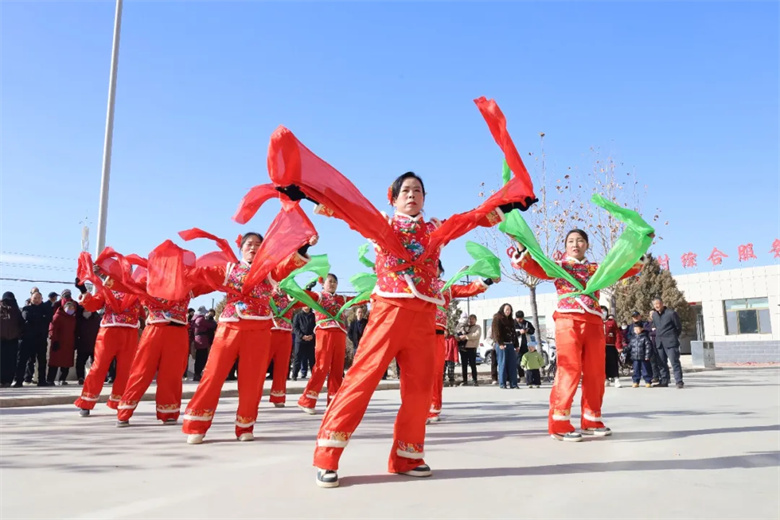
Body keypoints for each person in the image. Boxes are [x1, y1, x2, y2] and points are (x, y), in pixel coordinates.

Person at [179, 221, 318, 444]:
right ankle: (197, 425)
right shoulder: (229, 269)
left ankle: (245, 426)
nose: (253, 248)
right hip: (230, 327)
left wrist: (304, 246)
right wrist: (176, 269)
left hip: (259, 328)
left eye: (257, 245)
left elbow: (289, 265)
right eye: (249, 244)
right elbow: (201, 274)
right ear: (241, 248)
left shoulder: (269, 271)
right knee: (213, 375)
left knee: (252, 379)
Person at [511, 229, 645, 441]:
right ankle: (559, 423)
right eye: (571, 241)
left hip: (594, 322)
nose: (575, 244)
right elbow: (535, 267)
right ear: (565, 246)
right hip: (568, 320)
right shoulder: (559, 266)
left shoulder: (596, 268)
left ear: (587, 245)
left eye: (580, 241)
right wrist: (520, 245)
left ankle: (591, 419)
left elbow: (619, 270)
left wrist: (640, 247)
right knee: (569, 369)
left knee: (596, 373)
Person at [428, 263, 494, 423]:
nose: (431, 268)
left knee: (436, 372)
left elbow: (467, 289)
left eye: (435, 265)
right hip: (417, 331)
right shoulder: (416, 283)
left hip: (437, 333)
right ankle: (416, 409)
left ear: (440, 270)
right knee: (418, 372)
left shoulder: (446, 287)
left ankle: (433, 409)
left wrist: (488, 280)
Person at [74, 271, 145, 416]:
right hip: (108, 332)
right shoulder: (108, 288)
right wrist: (83, 291)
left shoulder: (137, 289)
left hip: (130, 332)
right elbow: (93, 305)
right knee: (99, 366)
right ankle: (86, 401)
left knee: (126, 369)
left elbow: (146, 307)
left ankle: (120, 402)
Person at [297, 273, 352, 414]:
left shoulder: (342, 298)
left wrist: (373, 292)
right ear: (323, 284)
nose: (332, 284)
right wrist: (307, 288)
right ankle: (307, 401)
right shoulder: (319, 296)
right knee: (322, 366)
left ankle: (333, 403)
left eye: (335, 282)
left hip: (340, 333)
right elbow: (303, 296)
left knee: (337, 369)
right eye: (330, 281)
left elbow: (358, 300)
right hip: (324, 332)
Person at [266, 288, 301, 407]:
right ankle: (252, 396)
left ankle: (278, 396)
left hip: (286, 333)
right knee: (261, 366)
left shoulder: (291, 295)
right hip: (269, 331)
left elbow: (304, 301)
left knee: (282, 366)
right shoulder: (267, 292)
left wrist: (306, 290)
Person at [15, 291, 50, 387]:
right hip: (27, 339)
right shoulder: (26, 308)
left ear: (42, 299)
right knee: (22, 360)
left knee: (42, 361)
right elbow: (27, 317)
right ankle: (19, 381)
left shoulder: (45, 309)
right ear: (31, 299)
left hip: (41, 339)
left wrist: (39, 317)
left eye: (39, 298)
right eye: (35, 298)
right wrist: (40, 317)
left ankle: (42, 380)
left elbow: (48, 319)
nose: (37, 300)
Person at [651, 297, 684, 389]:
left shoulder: (671, 313)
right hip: (659, 343)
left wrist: (673, 336)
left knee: (674, 362)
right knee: (661, 363)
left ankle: (679, 381)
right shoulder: (654, 315)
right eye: (654, 304)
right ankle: (664, 381)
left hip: (671, 342)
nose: (656, 306)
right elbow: (656, 327)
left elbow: (678, 327)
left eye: (658, 303)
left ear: (662, 304)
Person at [47, 299, 78, 385]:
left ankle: (62, 379)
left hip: (69, 344)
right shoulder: (57, 316)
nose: (71, 309)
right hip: (58, 343)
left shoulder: (73, 319)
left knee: (66, 363)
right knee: (54, 362)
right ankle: (50, 379)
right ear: (64, 308)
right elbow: (52, 329)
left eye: (72, 308)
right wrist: (54, 340)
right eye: (69, 307)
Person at [492, 303, 520, 389]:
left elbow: (514, 333)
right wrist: (500, 343)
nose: (508, 311)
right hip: (502, 345)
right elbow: (496, 332)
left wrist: (516, 345)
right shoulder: (497, 318)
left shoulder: (511, 320)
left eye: (509, 309)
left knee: (512, 364)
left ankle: (513, 384)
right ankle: (502, 383)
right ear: (502, 310)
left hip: (510, 344)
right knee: (502, 364)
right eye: (506, 309)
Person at [1, 292, 24, 387]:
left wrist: (19, 334)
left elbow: (21, 323)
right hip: (1, 340)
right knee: (2, 361)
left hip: (13, 340)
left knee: (11, 361)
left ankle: (8, 380)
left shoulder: (16, 311)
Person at [75, 307, 101, 385]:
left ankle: (94, 378)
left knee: (95, 363)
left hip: (94, 344)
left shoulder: (97, 318)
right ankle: (80, 377)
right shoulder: (78, 318)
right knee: (80, 362)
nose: (87, 310)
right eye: (85, 309)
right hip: (82, 344)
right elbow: (75, 331)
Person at [191, 307, 217, 382]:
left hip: (197, 340)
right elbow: (212, 325)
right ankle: (197, 374)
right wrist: (211, 319)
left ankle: (197, 374)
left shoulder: (195, 319)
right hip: (202, 340)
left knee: (199, 358)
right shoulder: (201, 319)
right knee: (202, 358)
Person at [625, 322, 653, 387]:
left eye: (638, 329)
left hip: (643, 357)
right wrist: (624, 350)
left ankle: (648, 381)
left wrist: (647, 356)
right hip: (635, 357)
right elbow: (629, 346)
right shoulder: (633, 338)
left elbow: (648, 347)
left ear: (642, 329)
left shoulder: (645, 337)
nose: (636, 331)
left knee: (646, 370)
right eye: (635, 329)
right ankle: (636, 381)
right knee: (636, 370)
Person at [291, 306, 316, 380]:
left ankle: (314, 375)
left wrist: (312, 335)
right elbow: (295, 327)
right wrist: (302, 336)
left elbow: (317, 326)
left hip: (311, 340)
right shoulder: (298, 315)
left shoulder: (314, 316)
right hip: (300, 340)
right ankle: (294, 375)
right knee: (297, 358)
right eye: (304, 305)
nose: (306, 307)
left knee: (312, 359)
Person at [602, 306, 623, 388]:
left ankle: (616, 379)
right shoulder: (597, 322)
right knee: (603, 363)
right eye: (601, 311)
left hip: (611, 346)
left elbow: (617, 334)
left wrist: (619, 346)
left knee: (613, 363)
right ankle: (606, 378)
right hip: (601, 347)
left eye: (604, 311)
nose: (603, 313)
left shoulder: (611, 322)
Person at [514, 310, 535, 381]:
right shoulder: (513, 324)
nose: (520, 320)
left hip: (527, 345)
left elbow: (533, 331)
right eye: (519, 319)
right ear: (516, 318)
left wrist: (527, 330)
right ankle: (522, 376)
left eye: (521, 318)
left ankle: (530, 377)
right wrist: (520, 333)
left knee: (529, 361)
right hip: (518, 346)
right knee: (518, 362)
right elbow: (512, 334)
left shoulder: (527, 323)